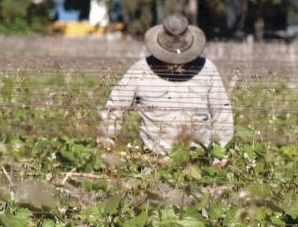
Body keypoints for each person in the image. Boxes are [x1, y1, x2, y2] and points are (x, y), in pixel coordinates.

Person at [98, 14, 234, 156]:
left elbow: (222, 115)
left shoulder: (207, 70)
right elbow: (114, 110)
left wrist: (220, 154)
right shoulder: (140, 71)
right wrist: (106, 141)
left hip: (198, 160)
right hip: (154, 162)